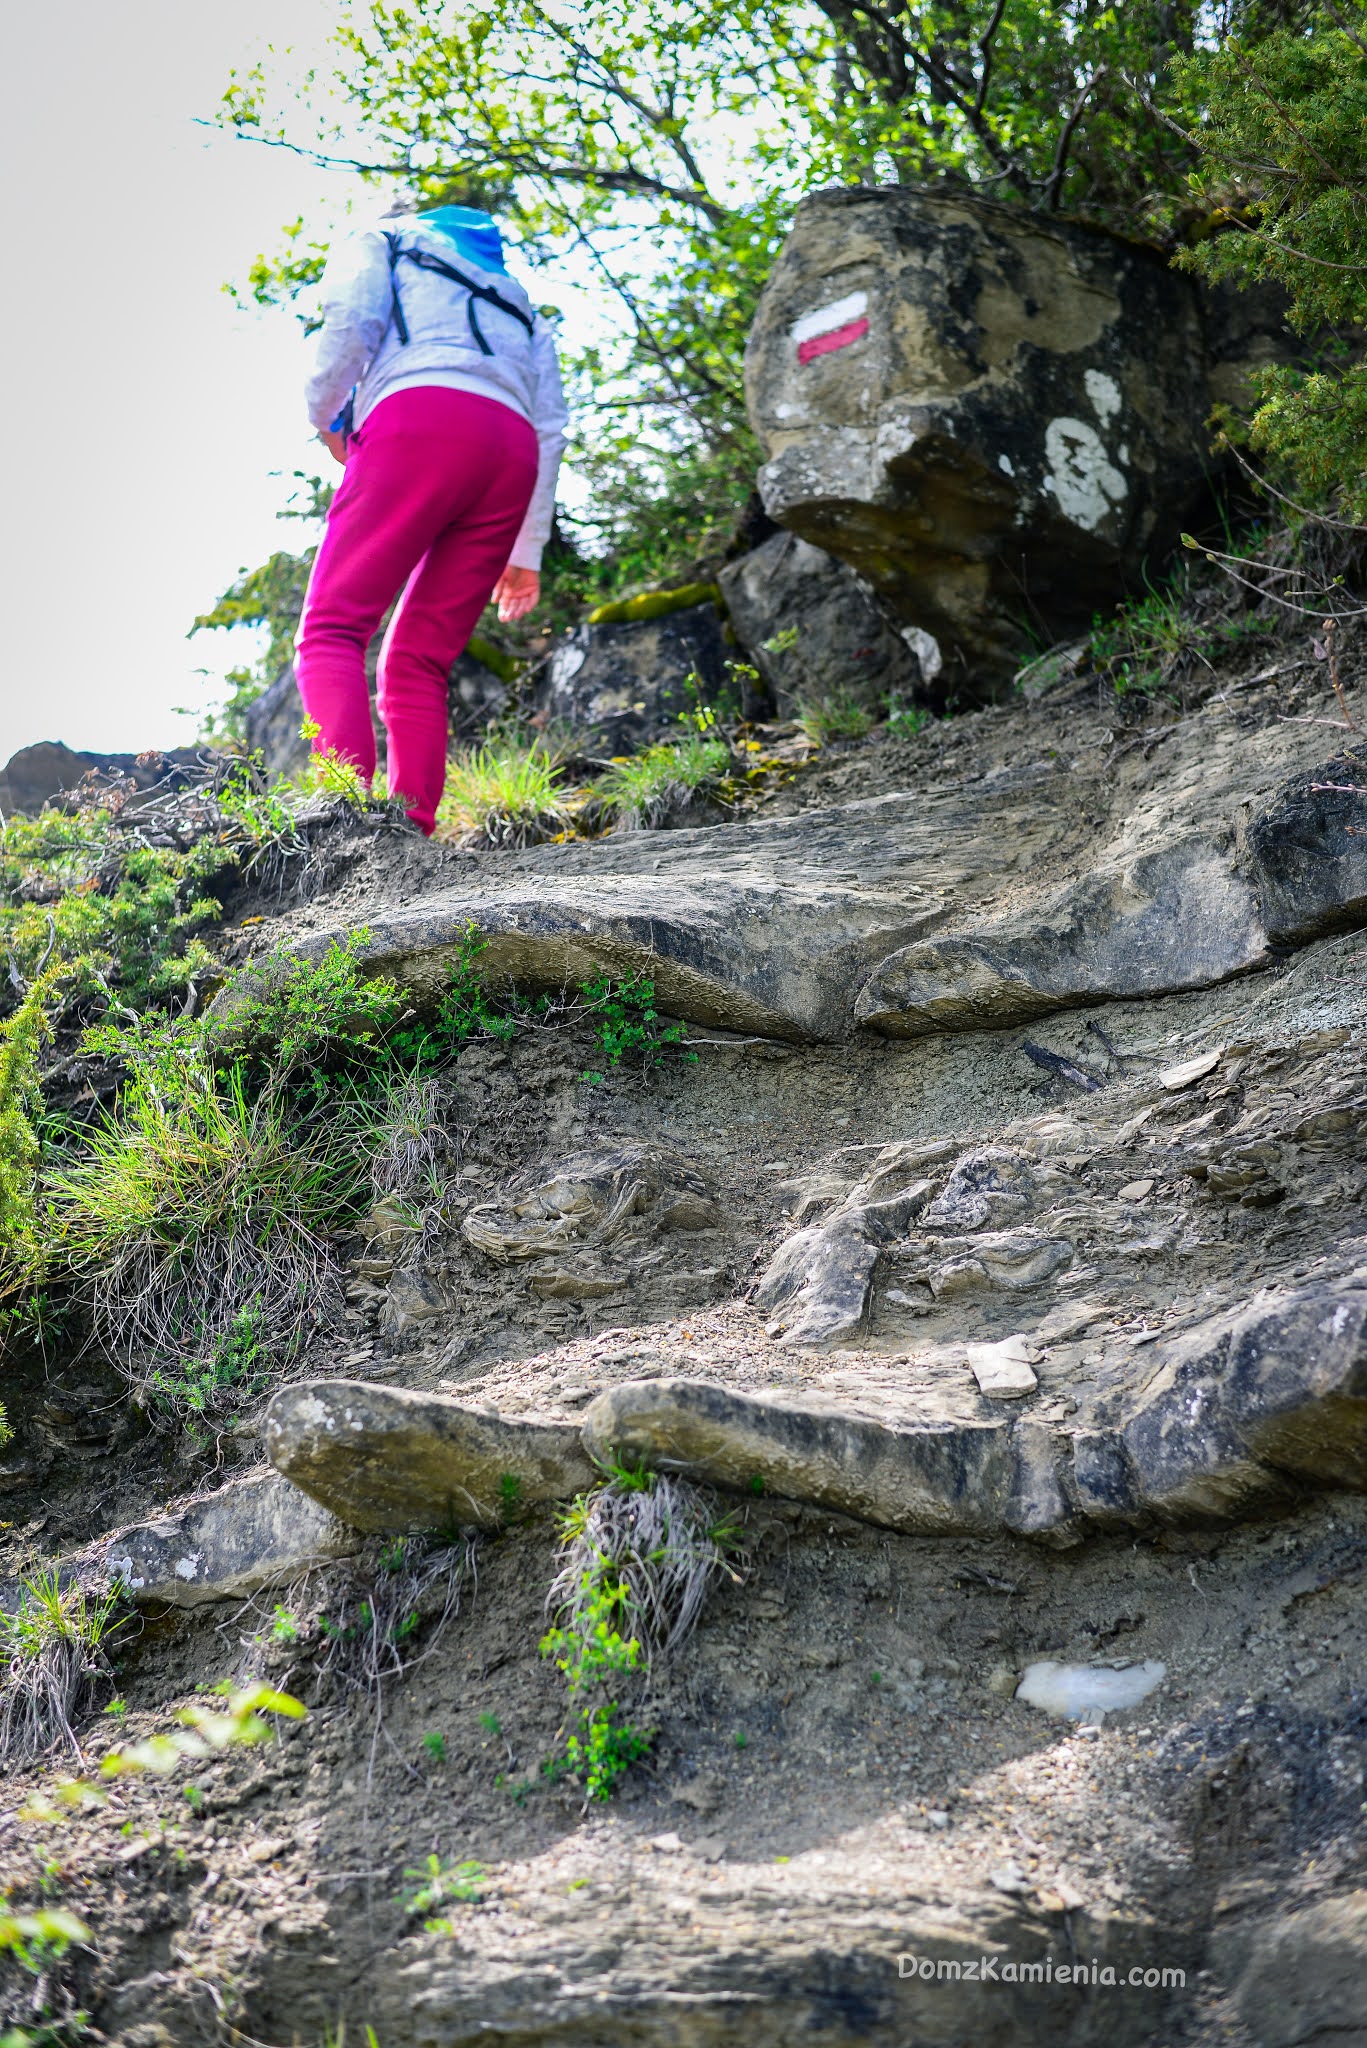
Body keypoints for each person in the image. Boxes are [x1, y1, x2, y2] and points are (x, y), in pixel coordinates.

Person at [296, 203, 568, 834]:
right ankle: (411, 835)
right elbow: (551, 426)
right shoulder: (520, 302)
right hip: (511, 453)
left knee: (332, 630)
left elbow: (354, 316)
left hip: (418, 418)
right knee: (418, 661)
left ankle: (345, 828)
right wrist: (526, 552)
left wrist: (324, 415)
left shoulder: (383, 237)